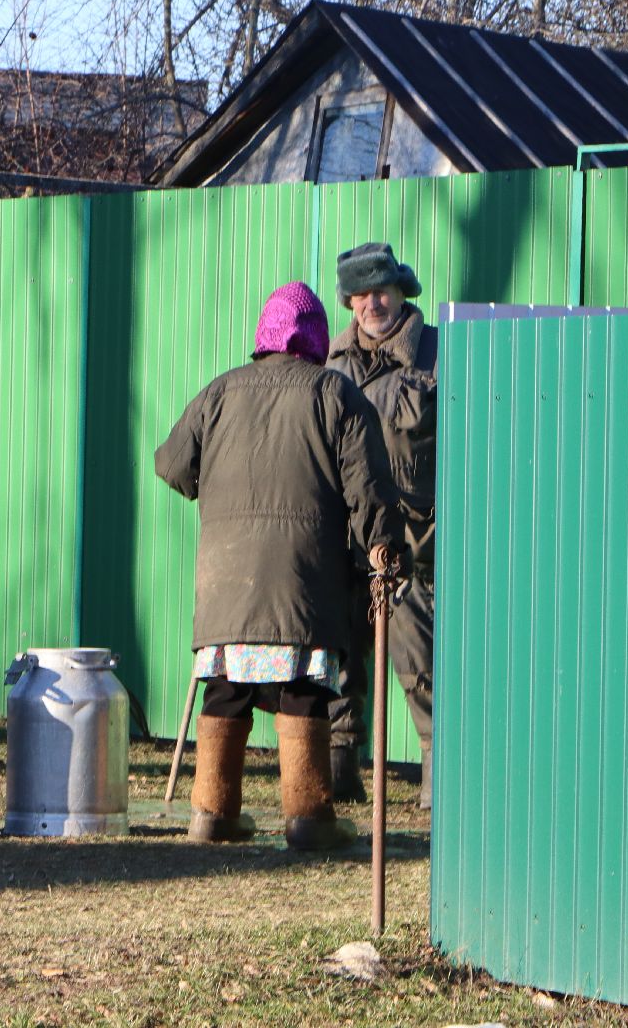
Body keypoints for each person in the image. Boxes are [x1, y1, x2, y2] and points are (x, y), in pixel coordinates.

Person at [155, 281, 403, 848]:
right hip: (303, 579)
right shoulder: (334, 393)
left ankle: (211, 815)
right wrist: (382, 550)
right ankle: (309, 818)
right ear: (315, 335)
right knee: (303, 690)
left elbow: (172, 466)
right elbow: (368, 490)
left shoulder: (219, 392)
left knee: (227, 686)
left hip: (226, 580)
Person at [325, 243, 438, 809]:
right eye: (362, 294)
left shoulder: (436, 354)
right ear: (349, 301)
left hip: (417, 541)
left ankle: (438, 777)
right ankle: (339, 770)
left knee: (419, 661)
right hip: (349, 537)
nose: (374, 302)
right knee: (341, 658)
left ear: (401, 292)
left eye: (383, 290)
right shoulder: (332, 363)